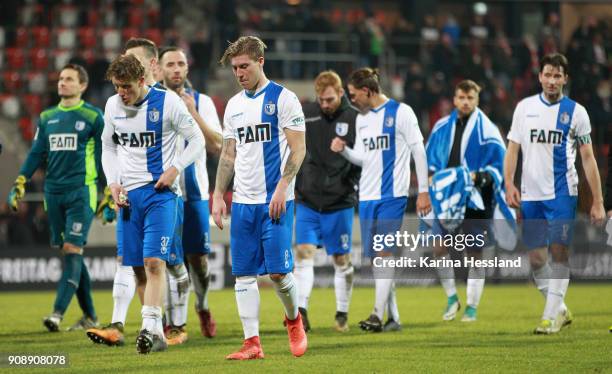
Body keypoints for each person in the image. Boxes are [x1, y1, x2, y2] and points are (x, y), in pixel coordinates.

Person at [86, 37, 189, 347]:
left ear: (143, 77)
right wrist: (113, 182)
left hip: (162, 193)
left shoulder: (168, 101)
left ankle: (153, 326)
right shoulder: (113, 105)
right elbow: (107, 145)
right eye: (117, 86)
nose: (122, 92)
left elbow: (195, 141)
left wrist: (175, 168)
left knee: (156, 262)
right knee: (135, 265)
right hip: (129, 196)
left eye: (127, 86)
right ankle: (155, 332)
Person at [212, 35, 307, 360]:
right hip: (242, 202)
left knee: (279, 273)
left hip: (276, 201)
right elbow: (228, 154)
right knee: (243, 274)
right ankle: (252, 342)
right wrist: (218, 195)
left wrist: (282, 187)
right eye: (235, 68)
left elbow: (299, 149)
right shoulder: (235, 106)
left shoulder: (284, 99)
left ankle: (294, 321)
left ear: (260, 62)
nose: (239, 73)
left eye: (244, 66)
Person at [504, 53, 606, 334]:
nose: (551, 80)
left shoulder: (577, 112)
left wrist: (597, 200)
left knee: (559, 251)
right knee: (536, 258)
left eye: (557, 75)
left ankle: (549, 319)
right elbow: (512, 149)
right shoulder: (524, 108)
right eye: (547, 75)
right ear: (539, 77)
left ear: (565, 78)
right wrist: (509, 184)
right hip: (531, 194)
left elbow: (588, 158)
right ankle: (559, 308)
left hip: (563, 192)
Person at [331, 68, 431, 332]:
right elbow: (365, 158)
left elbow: (418, 151)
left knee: (385, 253)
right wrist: (345, 151)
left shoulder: (402, 112)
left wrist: (423, 190)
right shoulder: (362, 120)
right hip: (367, 197)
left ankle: (376, 314)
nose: (351, 100)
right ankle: (393, 317)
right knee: (378, 260)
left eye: (353, 95)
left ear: (368, 91)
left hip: (392, 195)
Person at [7, 64, 103, 332]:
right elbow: (36, 153)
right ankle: (91, 317)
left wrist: (108, 191)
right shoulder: (47, 117)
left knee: (72, 250)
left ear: (82, 85)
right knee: (71, 253)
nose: (62, 83)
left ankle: (57, 313)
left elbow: (102, 157)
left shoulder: (94, 116)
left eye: (69, 79)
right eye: (61, 79)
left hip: (82, 191)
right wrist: (21, 181)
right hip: (53, 193)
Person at [426, 80, 512, 322]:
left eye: (470, 98)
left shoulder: (488, 130)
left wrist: (479, 176)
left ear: (477, 100)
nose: (465, 102)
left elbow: (499, 165)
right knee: (439, 247)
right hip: (447, 198)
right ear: (454, 99)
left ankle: (472, 306)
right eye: (461, 98)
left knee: (474, 253)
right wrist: (431, 181)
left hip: (476, 198)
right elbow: (429, 159)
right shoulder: (442, 126)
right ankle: (452, 298)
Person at [158, 46, 223, 343]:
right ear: (158, 69)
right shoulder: (151, 102)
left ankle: (203, 305)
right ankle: (176, 324)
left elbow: (217, 145)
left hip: (195, 192)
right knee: (172, 258)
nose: (175, 69)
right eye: (169, 64)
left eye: (180, 63)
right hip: (163, 192)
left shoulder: (203, 101)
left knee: (198, 260)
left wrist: (193, 112)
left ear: (187, 68)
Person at [294, 70, 360, 333]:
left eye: (330, 99)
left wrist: (350, 182)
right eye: (321, 100)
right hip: (308, 199)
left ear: (341, 93)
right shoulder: (307, 113)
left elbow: (364, 157)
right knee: (304, 253)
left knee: (341, 259)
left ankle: (342, 312)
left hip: (339, 200)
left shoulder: (355, 118)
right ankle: (301, 312)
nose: (325, 105)